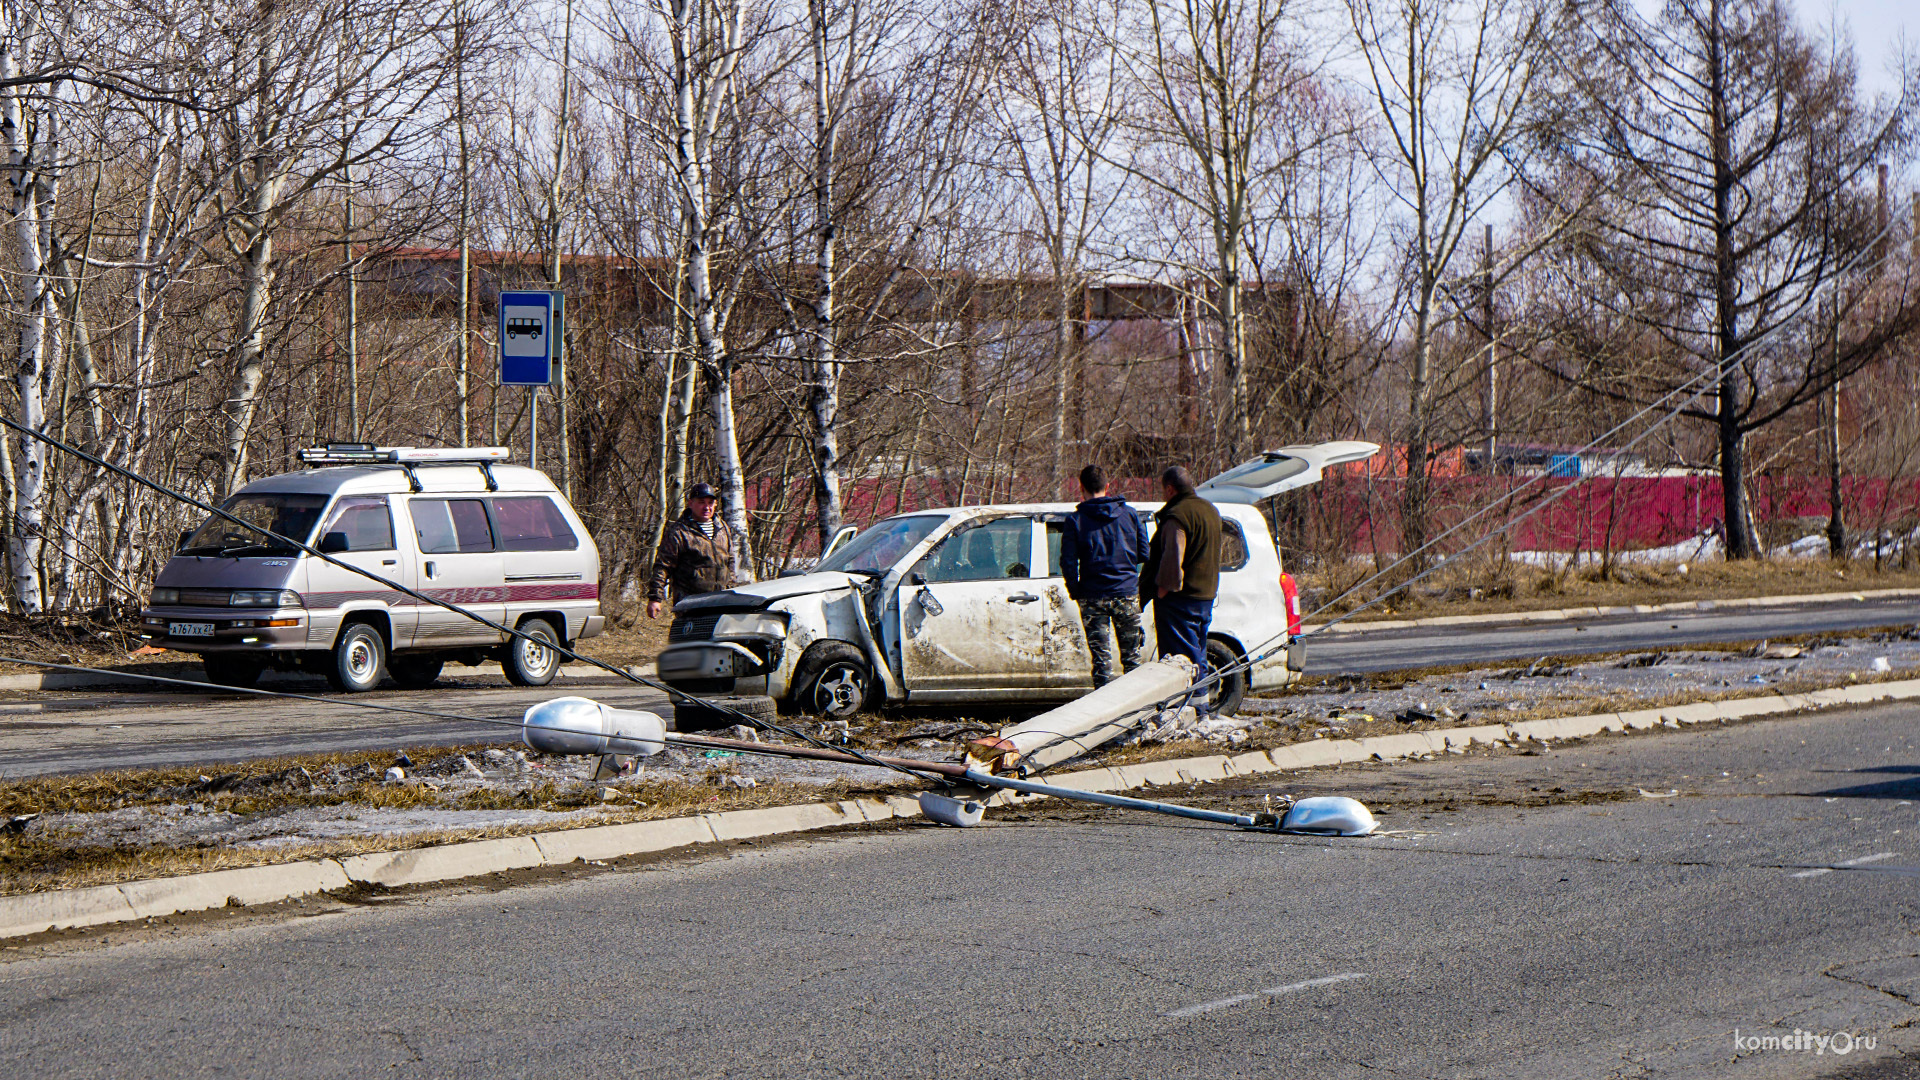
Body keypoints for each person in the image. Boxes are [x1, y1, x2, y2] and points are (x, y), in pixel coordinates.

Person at [1141, 464, 1222, 712]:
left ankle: (1192, 711)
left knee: (1182, 660)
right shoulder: (1210, 510)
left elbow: (1173, 562)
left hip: (1179, 600)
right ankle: (1201, 707)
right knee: (1198, 654)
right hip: (1205, 596)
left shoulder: (1177, 516)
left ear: (1170, 489)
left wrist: (1162, 591)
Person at [1060, 464, 1149, 686]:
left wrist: (1076, 591)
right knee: (1132, 660)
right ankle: (1136, 712)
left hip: (1092, 595)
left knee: (1101, 662)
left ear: (1081, 488)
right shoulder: (1129, 514)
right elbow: (1144, 552)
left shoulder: (1075, 520)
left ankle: (1105, 713)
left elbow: (1068, 562)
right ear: (1107, 486)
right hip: (1126, 592)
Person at [647, 483, 741, 619]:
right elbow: (663, 566)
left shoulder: (722, 528)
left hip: (721, 603)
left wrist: (731, 588)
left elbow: (730, 560)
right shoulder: (679, 532)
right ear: (691, 503)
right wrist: (655, 598)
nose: (707, 507)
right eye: (701, 502)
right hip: (691, 605)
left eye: (710, 503)